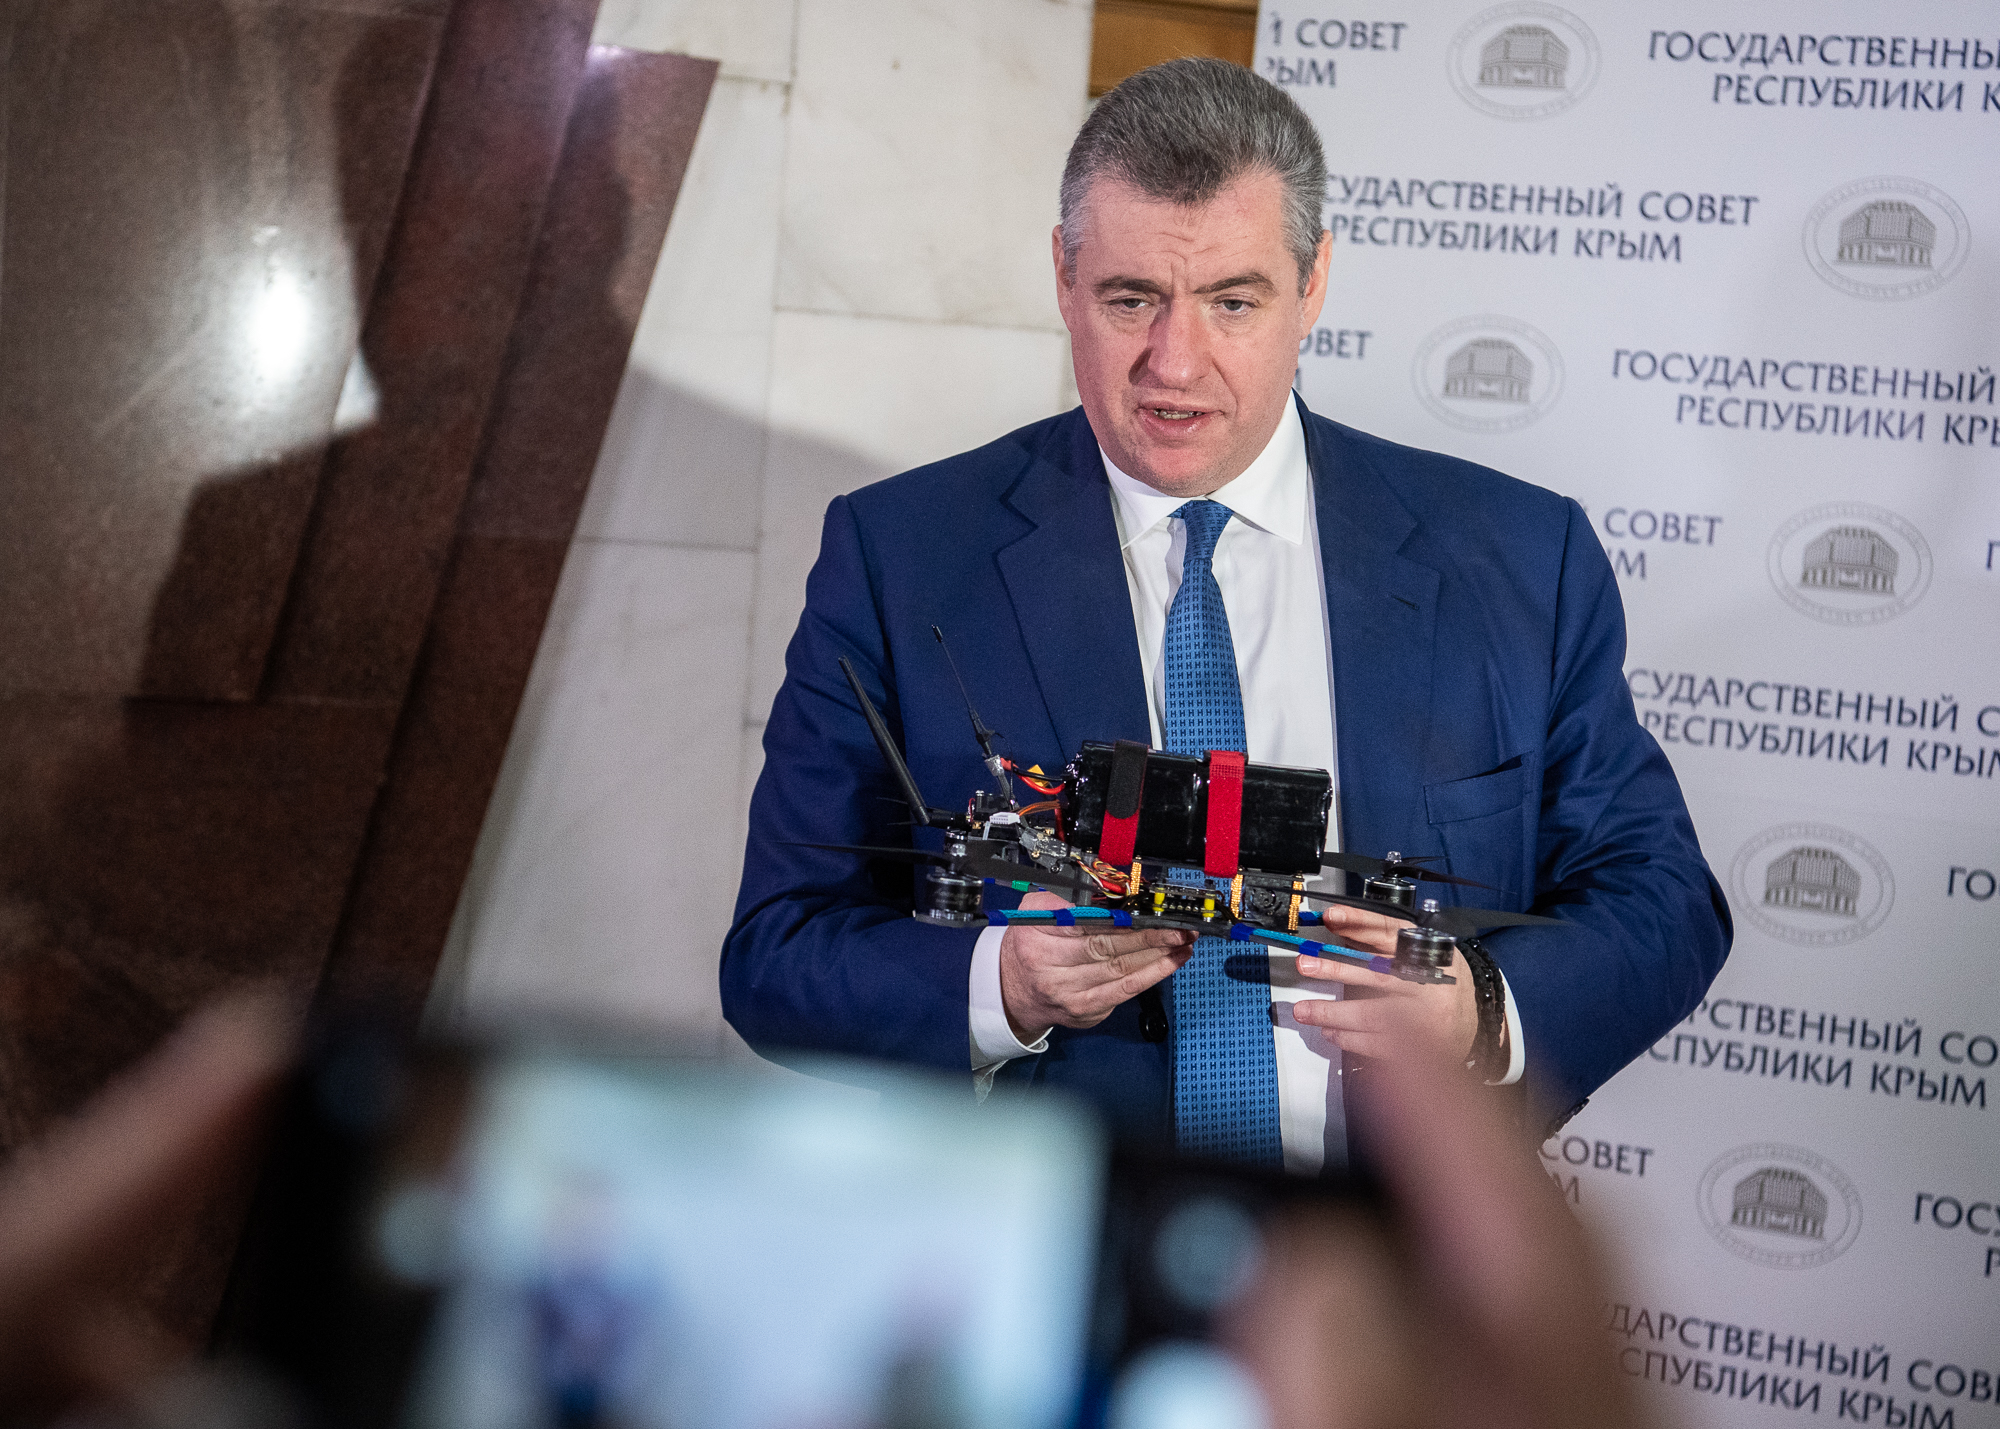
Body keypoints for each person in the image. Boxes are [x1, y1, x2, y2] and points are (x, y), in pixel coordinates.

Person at [721, 58, 1730, 1169]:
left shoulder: (1521, 557)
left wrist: (1480, 1011)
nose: (1174, 363)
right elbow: (778, 951)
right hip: (1052, 1229)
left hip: (1392, 1237)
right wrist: (997, 986)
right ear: (1062, 274)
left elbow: (1662, 900)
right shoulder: (899, 555)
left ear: (1314, 282)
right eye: (1129, 300)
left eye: (1232, 303)